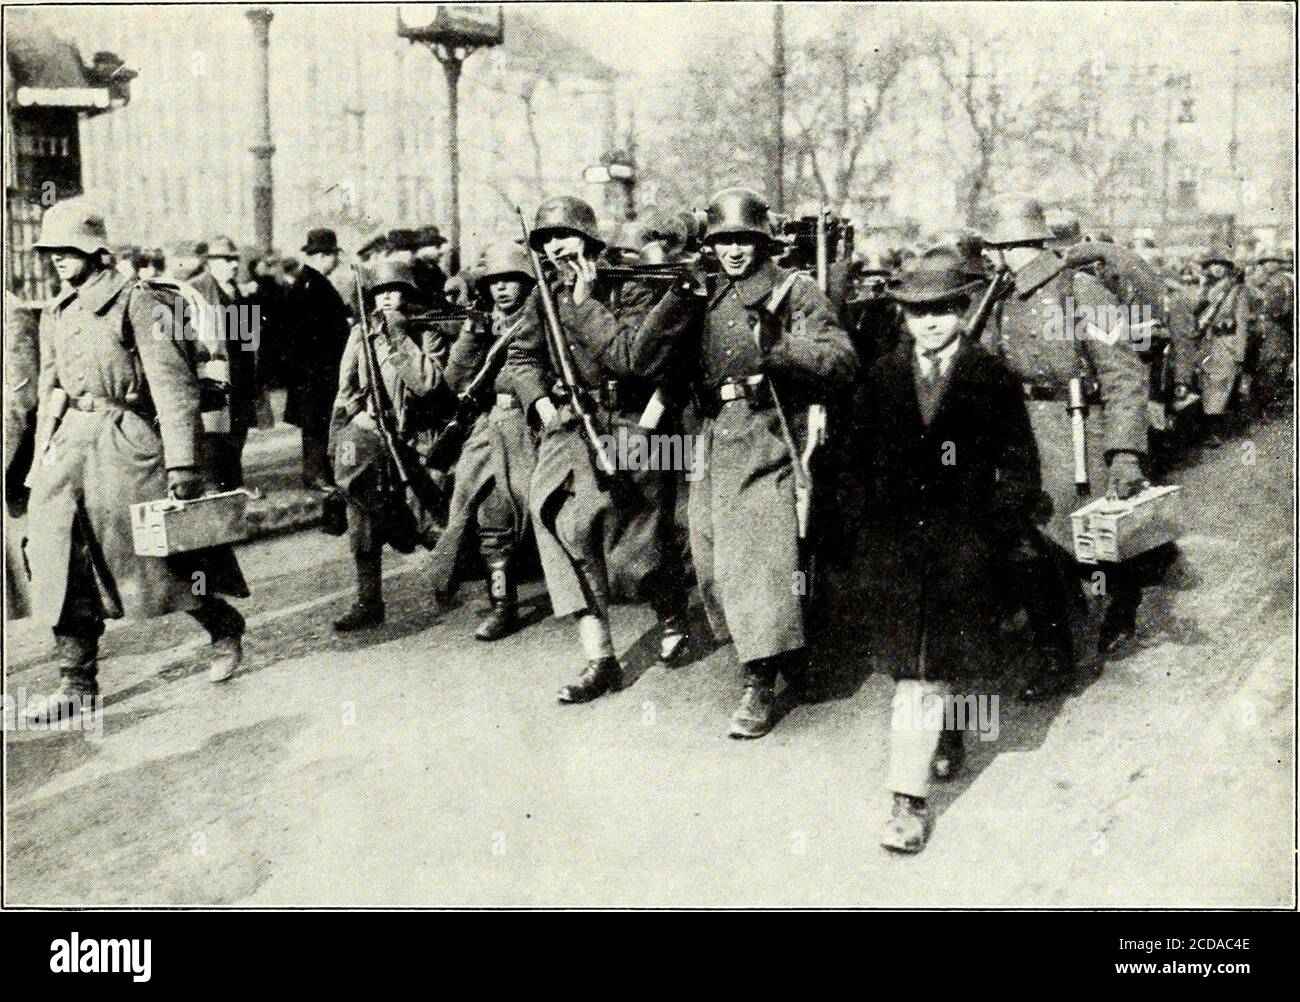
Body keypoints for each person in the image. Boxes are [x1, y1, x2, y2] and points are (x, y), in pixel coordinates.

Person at [23, 200, 250, 722]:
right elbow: (49, 390)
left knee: (165, 556)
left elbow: (173, 389)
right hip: (71, 446)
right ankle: (77, 680)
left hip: (129, 442)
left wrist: (184, 466)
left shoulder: (140, 303)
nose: (59, 258)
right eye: (52, 250)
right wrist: (41, 459)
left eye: (69, 248)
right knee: (62, 557)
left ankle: (222, 626)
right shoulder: (57, 311)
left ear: (96, 249)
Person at [858, 249, 1040, 852]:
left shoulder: (989, 375)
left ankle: (917, 783)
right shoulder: (882, 375)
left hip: (965, 542)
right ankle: (923, 770)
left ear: (964, 310)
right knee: (917, 670)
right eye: (917, 311)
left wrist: (997, 531)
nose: (930, 322)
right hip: (899, 547)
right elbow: (853, 461)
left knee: (934, 667)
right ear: (902, 316)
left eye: (943, 309)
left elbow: (1018, 463)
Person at [502, 195, 702, 704]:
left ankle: (671, 612)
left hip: (634, 421)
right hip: (569, 426)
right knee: (565, 530)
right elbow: (521, 357)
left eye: (563, 237)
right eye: (545, 240)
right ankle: (601, 659)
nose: (554, 248)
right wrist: (542, 406)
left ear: (589, 239)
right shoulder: (541, 297)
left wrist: (586, 301)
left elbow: (638, 359)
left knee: (642, 539)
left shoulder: (628, 285)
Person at [681, 187, 858, 738]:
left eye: (744, 239)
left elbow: (840, 359)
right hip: (713, 433)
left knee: (753, 561)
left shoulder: (792, 291)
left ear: (763, 241)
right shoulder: (707, 294)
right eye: (724, 240)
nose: (734, 250)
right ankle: (783, 650)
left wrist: (780, 347)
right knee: (708, 558)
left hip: (769, 429)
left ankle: (758, 680)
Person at [980, 198, 1148, 700]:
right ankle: (1054, 653)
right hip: (1020, 431)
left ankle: (1112, 616)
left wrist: (1125, 452)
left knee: (1089, 545)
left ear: (1019, 246)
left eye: (1000, 247)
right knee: (1030, 546)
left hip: (1077, 431)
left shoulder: (1083, 290)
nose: (994, 257)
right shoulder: (1001, 298)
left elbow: (1122, 374)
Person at [427, 241, 558, 640]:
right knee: (490, 519)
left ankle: (577, 592)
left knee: (545, 510)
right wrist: (470, 332)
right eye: (495, 282)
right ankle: (503, 605)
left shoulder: (545, 315)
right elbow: (454, 381)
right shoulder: (485, 322)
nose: (502, 289)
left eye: (511, 281)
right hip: (490, 427)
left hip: (533, 423)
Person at [328, 260, 450, 631]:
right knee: (361, 516)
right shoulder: (361, 334)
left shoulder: (425, 330)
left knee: (428, 516)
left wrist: (398, 337)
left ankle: (456, 578)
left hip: (418, 438)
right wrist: (343, 434)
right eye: (380, 292)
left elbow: (428, 383)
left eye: (395, 291)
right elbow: (345, 392)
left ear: (408, 295)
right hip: (374, 433)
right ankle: (369, 602)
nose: (387, 298)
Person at [284, 228, 352, 489]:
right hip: (316, 371)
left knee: (318, 423)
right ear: (324, 255)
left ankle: (319, 473)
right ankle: (316, 475)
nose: (336, 261)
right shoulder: (313, 284)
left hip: (314, 370)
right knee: (317, 424)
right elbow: (311, 330)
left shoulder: (311, 282)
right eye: (334, 255)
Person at [191, 236, 259, 489]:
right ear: (210, 262)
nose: (233, 265)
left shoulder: (239, 291)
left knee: (236, 436)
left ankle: (233, 485)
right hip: (213, 379)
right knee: (213, 441)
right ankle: (216, 490)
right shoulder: (193, 290)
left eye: (235, 260)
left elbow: (250, 340)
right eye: (227, 260)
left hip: (240, 378)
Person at [1192, 244, 1250, 446]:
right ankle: (1209, 427)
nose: (1217, 268)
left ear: (1228, 267)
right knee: (1205, 383)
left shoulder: (1236, 290)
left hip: (1226, 343)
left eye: (1221, 265)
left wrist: (1240, 353)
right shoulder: (1205, 288)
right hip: (1207, 341)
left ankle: (1213, 431)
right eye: (1213, 264)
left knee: (1218, 385)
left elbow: (1242, 322)